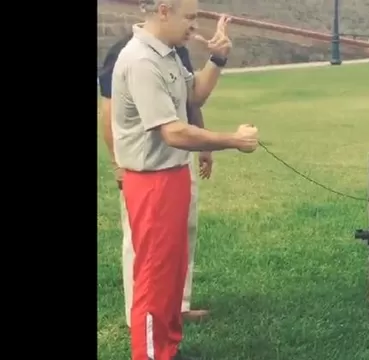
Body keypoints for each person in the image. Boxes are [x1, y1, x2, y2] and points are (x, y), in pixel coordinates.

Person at [110, 0, 259, 359]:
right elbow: (173, 132)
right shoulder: (141, 61)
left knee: (173, 273)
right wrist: (233, 140)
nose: (194, 26)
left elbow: (194, 96)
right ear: (163, 10)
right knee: (154, 276)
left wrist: (218, 59)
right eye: (189, 17)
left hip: (172, 175)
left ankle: (168, 347)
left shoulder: (167, 53)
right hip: (151, 182)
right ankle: (149, 354)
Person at [99, 32, 213, 328]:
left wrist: (204, 146)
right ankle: (139, 316)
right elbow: (109, 111)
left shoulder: (176, 52)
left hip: (177, 160)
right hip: (146, 168)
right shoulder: (129, 54)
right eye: (187, 17)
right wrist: (117, 165)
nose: (192, 26)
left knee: (182, 233)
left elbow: (190, 101)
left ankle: (178, 306)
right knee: (141, 245)